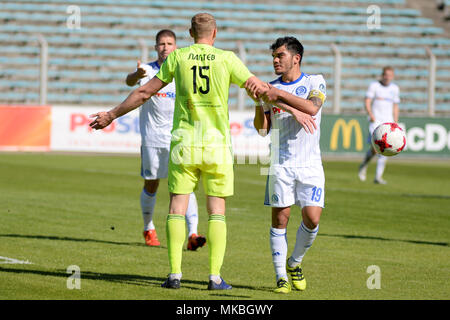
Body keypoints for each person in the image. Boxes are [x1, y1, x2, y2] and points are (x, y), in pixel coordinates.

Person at [89, 13, 268, 290]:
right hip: (216, 145)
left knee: (176, 206)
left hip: (184, 143)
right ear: (215, 33)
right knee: (216, 209)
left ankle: (174, 276)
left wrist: (112, 114)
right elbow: (257, 88)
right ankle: (214, 278)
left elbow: (143, 92)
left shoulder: (178, 57)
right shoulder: (228, 58)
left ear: (189, 33)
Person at [252, 36, 325, 293]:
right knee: (280, 220)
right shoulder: (268, 88)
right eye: (273, 56)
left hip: (310, 165)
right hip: (281, 164)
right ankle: (281, 276)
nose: (275, 60)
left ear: (296, 58)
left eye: (280, 55)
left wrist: (277, 95)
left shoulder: (315, 82)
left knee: (313, 219)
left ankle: (294, 262)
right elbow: (263, 130)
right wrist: (261, 104)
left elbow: (312, 108)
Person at [125, 29, 205, 251]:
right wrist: (136, 76)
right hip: (152, 138)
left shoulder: (183, 70)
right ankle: (148, 227)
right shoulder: (148, 70)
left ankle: (193, 233)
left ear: (176, 46)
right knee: (152, 184)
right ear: (155, 47)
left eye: (170, 43)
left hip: (180, 138)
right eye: (161, 44)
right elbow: (129, 81)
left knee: (184, 185)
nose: (165, 47)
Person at [358, 66, 400, 185]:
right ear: (382, 75)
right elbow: (367, 101)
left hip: (388, 122)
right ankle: (364, 165)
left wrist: (395, 122)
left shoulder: (395, 88)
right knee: (375, 149)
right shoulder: (374, 86)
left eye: (390, 75)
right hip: (375, 122)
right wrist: (370, 114)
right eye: (386, 74)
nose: (387, 77)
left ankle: (378, 177)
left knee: (386, 148)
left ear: (392, 76)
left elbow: (395, 106)